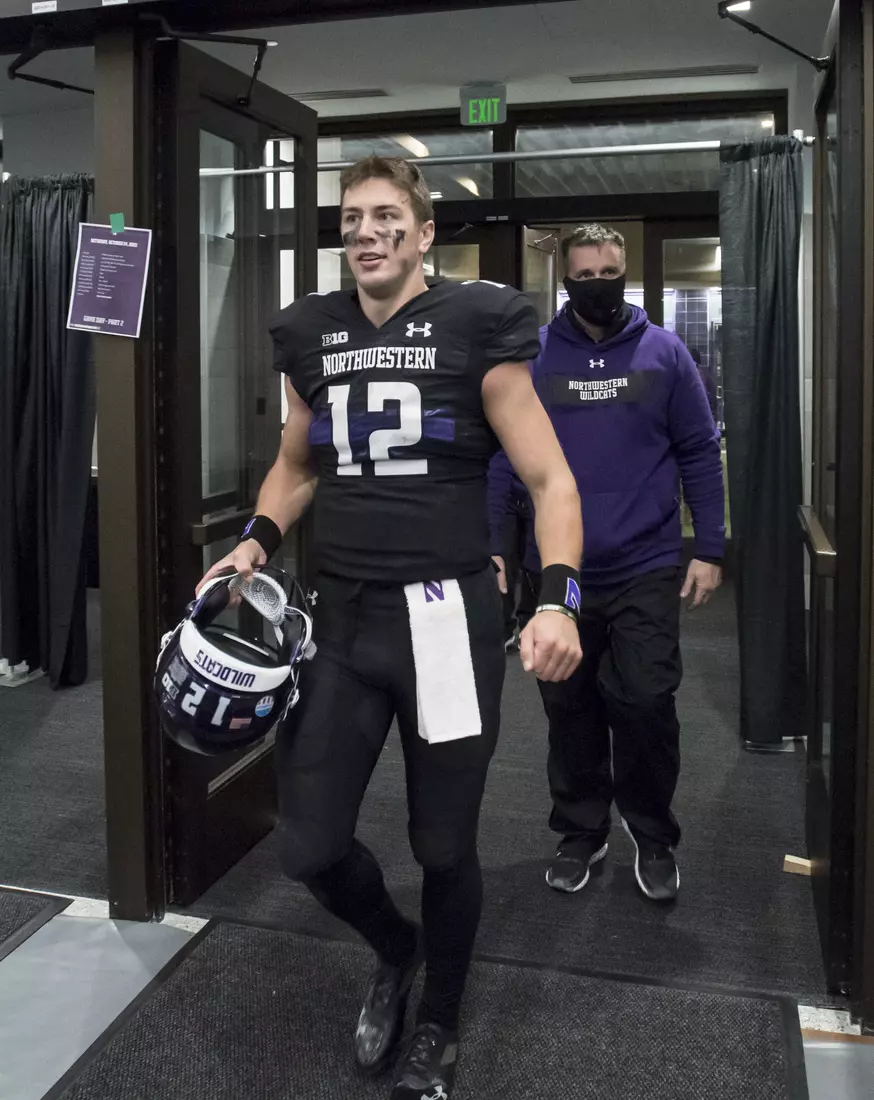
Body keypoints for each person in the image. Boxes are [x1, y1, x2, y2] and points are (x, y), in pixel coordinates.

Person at [197, 157, 583, 1100]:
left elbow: (550, 481)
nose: (365, 232)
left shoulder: (476, 322)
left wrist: (557, 598)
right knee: (308, 845)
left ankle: (440, 1019)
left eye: (384, 216)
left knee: (444, 844)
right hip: (346, 618)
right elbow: (296, 465)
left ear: (424, 232)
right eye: (351, 219)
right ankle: (396, 946)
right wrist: (252, 543)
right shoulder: (310, 333)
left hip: (446, 619)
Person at [489, 224, 724, 904]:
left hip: (645, 561)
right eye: (585, 275)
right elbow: (503, 461)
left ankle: (652, 832)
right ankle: (581, 830)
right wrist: (494, 545)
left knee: (646, 701)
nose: (599, 284)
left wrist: (709, 546)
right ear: (567, 279)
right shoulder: (535, 357)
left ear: (625, 271)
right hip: (559, 571)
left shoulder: (665, 353)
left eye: (609, 272)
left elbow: (698, 450)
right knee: (570, 706)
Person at [487, 451, 536, 652]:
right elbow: (497, 467)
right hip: (505, 493)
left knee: (539, 564)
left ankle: (531, 627)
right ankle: (503, 630)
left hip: (541, 491)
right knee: (501, 561)